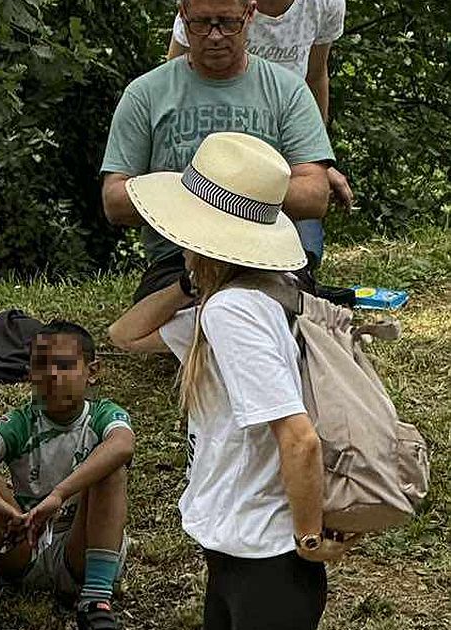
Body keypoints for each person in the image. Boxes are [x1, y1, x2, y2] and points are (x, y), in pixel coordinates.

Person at [108, 132, 359, 629]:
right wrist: (189, 283)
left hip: (264, 554)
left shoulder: (234, 313)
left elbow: (299, 437)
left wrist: (310, 540)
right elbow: (126, 334)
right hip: (240, 548)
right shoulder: (248, 300)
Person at [101, 0, 335, 303]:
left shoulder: (288, 91)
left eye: (227, 23)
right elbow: (114, 201)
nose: (214, 35)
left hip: (264, 260)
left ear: (250, 15)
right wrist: (195, 194)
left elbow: (314, 196)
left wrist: (227, 195)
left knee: (264, 314)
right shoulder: (145, 94)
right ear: (182, 15)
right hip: (178, 262)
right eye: (201, 23)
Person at [0, 321, 136, 630]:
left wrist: (58, 496)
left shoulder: (103, 414)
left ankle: (96, 599)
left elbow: (123, 445)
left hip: (81, 549)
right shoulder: (22, 421)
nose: (52, 376)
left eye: (64, 365)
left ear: (93, 371)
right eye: (41, 366)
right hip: (23, 545)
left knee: (110, 467)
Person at [167, 0, 353, 263]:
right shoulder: (213, 6)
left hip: (281, 159)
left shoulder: (324, 4)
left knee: (305, 256)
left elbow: (315, 75)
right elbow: (172, 77)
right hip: (215, 150)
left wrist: (317, 159)